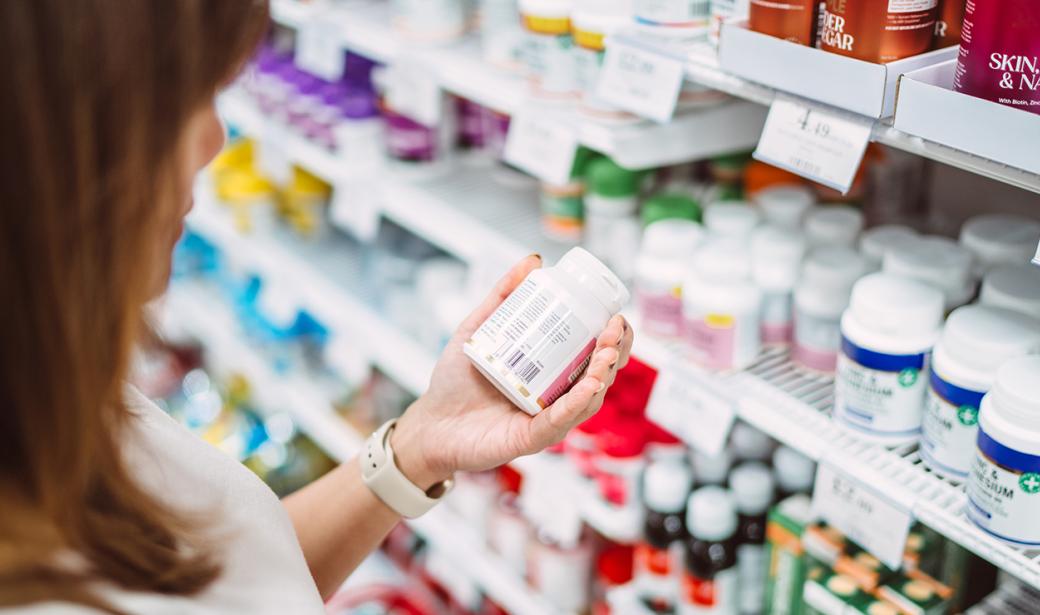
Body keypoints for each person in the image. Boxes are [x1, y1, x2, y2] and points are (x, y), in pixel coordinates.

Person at [0, 2, 634, 613]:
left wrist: (419, 445)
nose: (215, 140)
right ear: (55, 148)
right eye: (182, 101)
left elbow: (246, 585)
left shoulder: (49, 407)